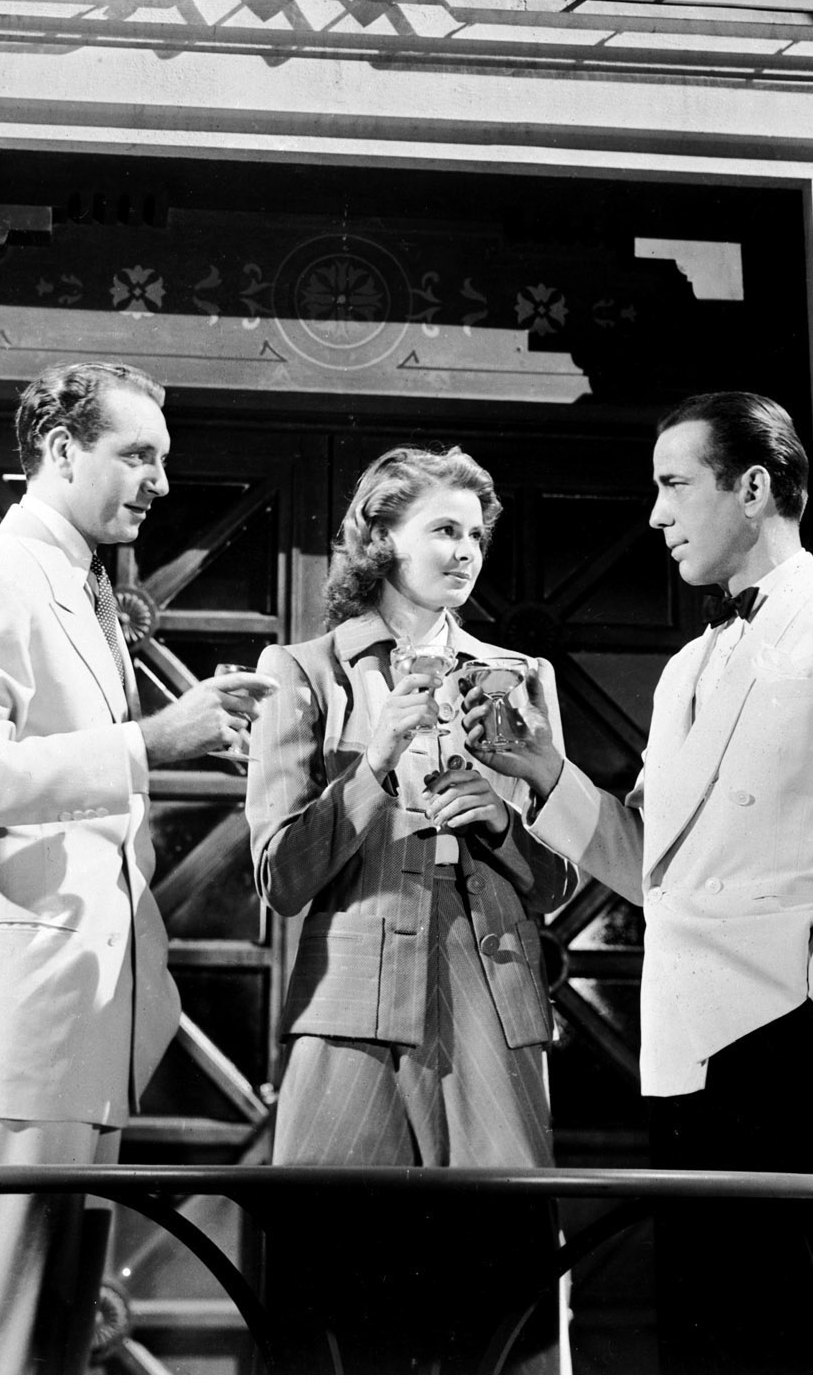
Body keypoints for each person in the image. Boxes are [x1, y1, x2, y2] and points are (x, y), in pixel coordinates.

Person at [473, 391, 813, 1373]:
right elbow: (657, 869)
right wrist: (545, 776)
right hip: (686, 1050)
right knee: (714, 1344)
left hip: (796, 1046)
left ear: (752, 488)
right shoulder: (687, 669)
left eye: (673, 485)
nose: (655, 515)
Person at [0, 361, 274, 1375]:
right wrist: (153, 742)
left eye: (162, 460)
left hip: (84, 1028)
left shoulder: (83, 590)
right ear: (60, 451)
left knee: (44, 1342)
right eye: (137, 455)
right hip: (20, 1023)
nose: (160, 482)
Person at [245, 444, 578, 1168]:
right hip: (352, 1000)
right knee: (340, 1230)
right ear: (382, 536)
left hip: (492, 994)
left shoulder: (522, 677)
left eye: (475, 536)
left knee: (497, 1230)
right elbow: (281, 877)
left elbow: (559, 883)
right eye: (445, 531)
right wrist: (374, 765)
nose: (466, 552)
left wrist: (501, 822)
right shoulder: (304, 671)